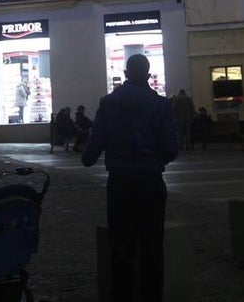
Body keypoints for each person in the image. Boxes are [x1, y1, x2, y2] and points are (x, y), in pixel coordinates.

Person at [81, 53, 178, 302]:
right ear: (148, 75)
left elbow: (92, 150)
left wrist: (89, 156)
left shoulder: (108, 103)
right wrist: (156, 158)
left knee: (120, 245)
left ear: (125, 74)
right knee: (152, 245)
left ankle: (121, 295)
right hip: (150, 181)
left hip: (120, 182)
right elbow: (170, 148)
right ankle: (151, 296)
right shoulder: (160, 105)